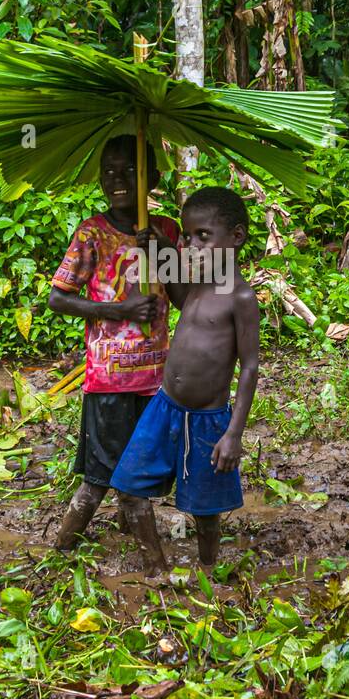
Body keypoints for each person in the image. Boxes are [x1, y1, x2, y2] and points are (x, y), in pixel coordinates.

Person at [110, 186, 259, 572]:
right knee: (128, 488)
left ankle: (208, 571)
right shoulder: (200, 280)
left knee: (205, 510)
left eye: (202, 236)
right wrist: (159, 252)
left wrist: (234, 434)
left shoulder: (239, 296)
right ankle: (157, 570)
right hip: (166, 406)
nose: (191, 245)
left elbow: (250, 367)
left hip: (207, 420)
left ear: (237, 237)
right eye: (187, 236)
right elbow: (180, 299)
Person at [49, 135, 182, 552]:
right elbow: (58, 298)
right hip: (109, 380)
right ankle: (71, 549)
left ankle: (116, 536)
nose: (117, 179)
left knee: (138, 467)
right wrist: (118, 310)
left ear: (153, 178)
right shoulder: (92, 234)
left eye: (129, 170)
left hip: (155, 379)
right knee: (104, 476)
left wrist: (161, 251)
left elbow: (180, 295)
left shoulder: (165, 230)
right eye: (109, 172)